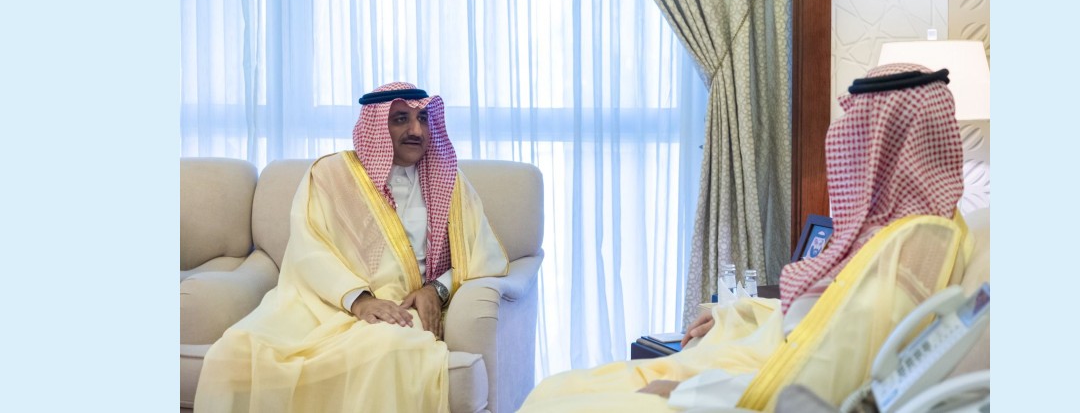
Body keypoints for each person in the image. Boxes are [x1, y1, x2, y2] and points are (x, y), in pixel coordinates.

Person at [518, 63, 973, 412]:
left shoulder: (904, 253)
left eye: (857, 134)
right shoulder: (913, 231)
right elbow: (821, 319)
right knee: (557, 388)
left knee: (558, 402)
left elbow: (811, 387)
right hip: (749, 363)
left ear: (884, 143)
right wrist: (734, 311)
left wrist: (683, 390)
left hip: (745, 390)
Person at [194, 82, 510, 412]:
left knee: (387, 346)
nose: (416, 130)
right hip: (328, 303)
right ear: (376, 126)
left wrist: (436, 290)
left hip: (402, 308)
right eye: (400, 119)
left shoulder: (451, 180)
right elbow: (310, 249)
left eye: (423, 119)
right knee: (239, 349)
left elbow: (480, 253)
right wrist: (359, 300)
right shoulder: (330, 175)